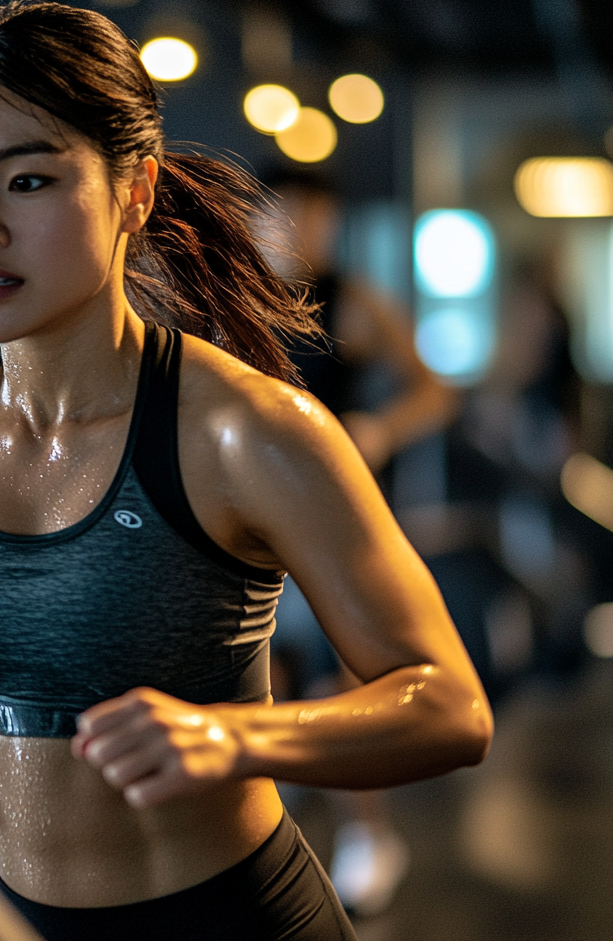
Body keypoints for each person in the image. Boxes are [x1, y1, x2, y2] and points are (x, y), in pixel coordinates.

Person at [0, 0, 492, 941]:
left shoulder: (246, 431)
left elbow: (452, 709)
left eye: (31, 180)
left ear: (134, 192)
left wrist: (235, 736)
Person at [268, 172, 459, 917]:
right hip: (247, 517)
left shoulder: (347, 299)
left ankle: (366, 836)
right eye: (286, 215)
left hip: (332, 516)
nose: (301, 230)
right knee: (258, 671)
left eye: (317, 217)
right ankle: (274, 824)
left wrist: (379, 430)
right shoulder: (233, 298)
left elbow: (432, 389)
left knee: (338, 675)